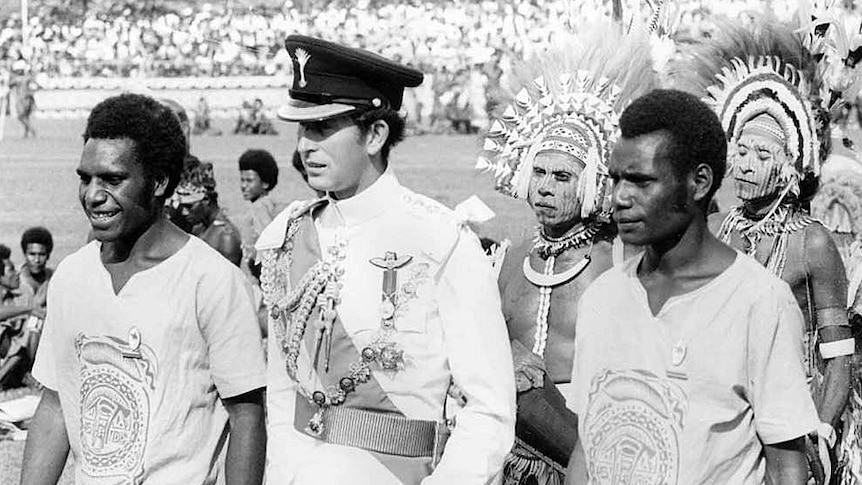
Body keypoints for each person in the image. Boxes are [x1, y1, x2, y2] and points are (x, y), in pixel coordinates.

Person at [256, 35, 515, 484]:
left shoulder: (440, 239)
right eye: (302, 129)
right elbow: (282, 394)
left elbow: (489, 408)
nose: (304, 146)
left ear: (375, 134)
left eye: (323, 128)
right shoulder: (288, 235)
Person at [566, 89, 819, 485]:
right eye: (615, 179)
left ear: (699, 182)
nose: (619, 197)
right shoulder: (603, 296)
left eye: (641, 181)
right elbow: (586, 447)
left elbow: (787, 465)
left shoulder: (759, 302)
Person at [21, 93, 266, 485]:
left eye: (113, 180)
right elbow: (54, 406)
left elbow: (247, 416)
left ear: (159, 182)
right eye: (85, 178)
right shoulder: (71, 276)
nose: (93, 195)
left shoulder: (211, 280)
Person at [672, 18, 855, 482]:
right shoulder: (716, 230)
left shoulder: (811, 242)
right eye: (742, 152)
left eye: (761, 156)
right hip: (721, 412)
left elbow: (838, 354)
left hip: (790, 416)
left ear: (791, 166)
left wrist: (821, 429)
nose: (746, 166)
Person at [477, 25, 656, 484]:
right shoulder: (510, 260)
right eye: (538, 172)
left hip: (591, 451)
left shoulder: (619, 260)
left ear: (594, 181)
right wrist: (505, 355)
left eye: (561, 176)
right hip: (509, 453)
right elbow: (475, 345)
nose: (544, 187)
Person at [167, 156, 243, 267]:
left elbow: (226, 282)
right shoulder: (199, 228)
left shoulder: (226, 238)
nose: (184, 212)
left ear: (206, 199)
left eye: (189, 206)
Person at [0, 243, 42, 390]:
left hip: (17, 359)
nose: (17, 273)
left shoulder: (19, 297)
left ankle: (26, 375)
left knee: (34, 323)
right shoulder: (21, 306)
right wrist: (28, 309)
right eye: (11, 269)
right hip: (8, 358)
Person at [238, 148, 287, 272]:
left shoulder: (259, 207)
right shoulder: (269, 203)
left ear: (265, 183)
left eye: (249, 181)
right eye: (242, 180)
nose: (244, 186)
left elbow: (267, 242)